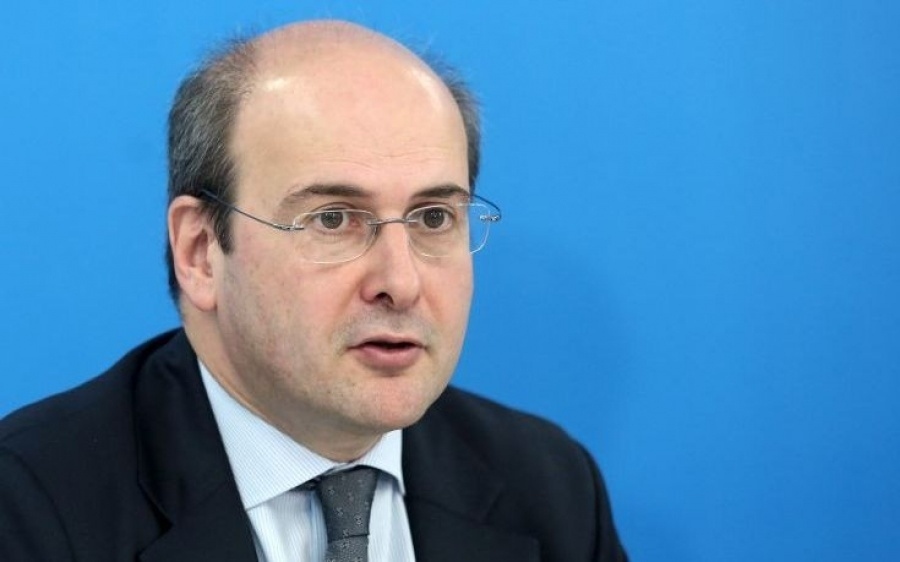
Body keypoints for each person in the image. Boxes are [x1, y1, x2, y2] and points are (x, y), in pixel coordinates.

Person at [0, 20, 627, 562]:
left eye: (434, 217)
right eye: (333, 219)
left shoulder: (549, 486)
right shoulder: (30, 508)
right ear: (200, 251)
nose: (400, 283)